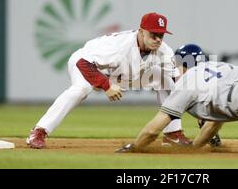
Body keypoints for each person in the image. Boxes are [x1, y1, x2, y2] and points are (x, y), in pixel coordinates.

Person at [26, 12, 192, 149]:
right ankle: (39, 131)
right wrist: (106, 85)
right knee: (81, 90)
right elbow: (82, 63)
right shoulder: (118, 46)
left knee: (165, 80)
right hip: (87, 64)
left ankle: (173, 134)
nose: (158, 39)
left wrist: (199, 108)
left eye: (161, 35)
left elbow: (180, 82)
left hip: (121, 75)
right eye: (153, 34)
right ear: (141, 31)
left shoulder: (164, 50)